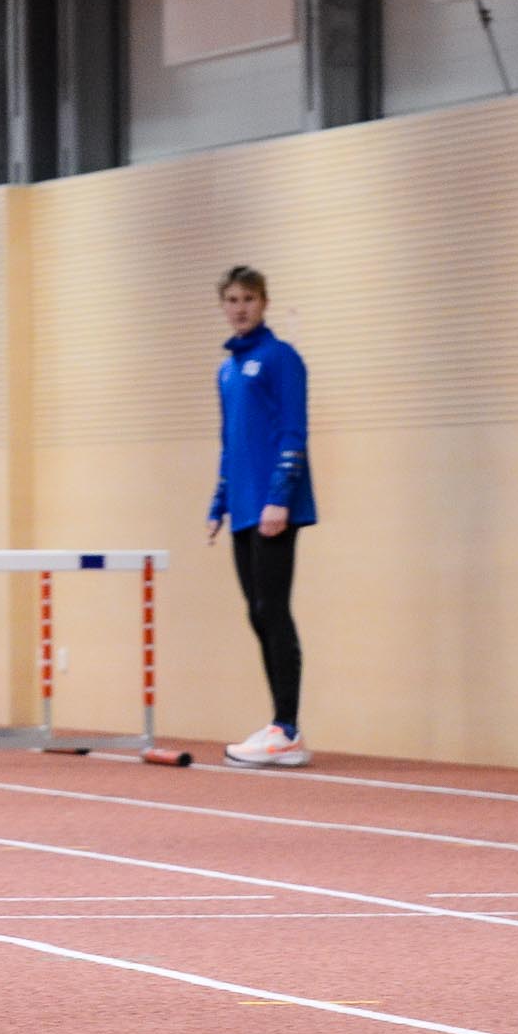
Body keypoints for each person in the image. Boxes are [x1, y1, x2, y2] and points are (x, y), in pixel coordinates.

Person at [207, 265, 316, 769]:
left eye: (249, 299)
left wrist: (280, 497)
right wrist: (219, 503)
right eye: (232, 300)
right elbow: (229, 443)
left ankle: (286, 728)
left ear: (264, 302)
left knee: (274, 609)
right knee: (256, 611)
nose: (240, 308)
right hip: (244, 507)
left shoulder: (281, 358)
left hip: (274, 505)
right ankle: (279, 725)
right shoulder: (227, 370)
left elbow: (294, 430)